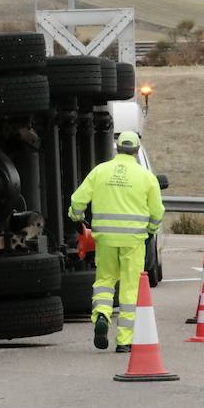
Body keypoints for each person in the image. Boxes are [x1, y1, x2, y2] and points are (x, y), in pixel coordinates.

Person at [68, 131, 164, 353]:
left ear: (118, 149)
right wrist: (150, 230)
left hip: (106, 239)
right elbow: (157, 212)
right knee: (130, 288)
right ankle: (124, 340)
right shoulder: (146, 177)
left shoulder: (100, 171)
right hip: (133, 240)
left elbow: (77, 200)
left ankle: (102, 315)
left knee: (104, 281)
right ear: (137, 150)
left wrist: (77, 217)